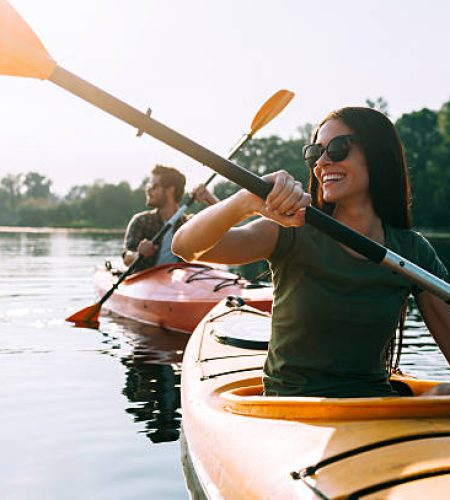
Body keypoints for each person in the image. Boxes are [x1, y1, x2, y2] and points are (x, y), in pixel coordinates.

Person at [172, 107, 450, 398]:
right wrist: (245, 202)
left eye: (337, 148)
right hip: (291, 411)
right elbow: (184, 247)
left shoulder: (411, 251)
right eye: (315, 153)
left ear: (378, 154)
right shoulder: (291, 230)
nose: (322, 162)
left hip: (376, 409)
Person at [123, 164, 218, 272]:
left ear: (170, 190)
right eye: (148, 186)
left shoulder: (189, 224)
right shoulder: (141, 221)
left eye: (154, 186)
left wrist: (209, 198)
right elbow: (127, 257)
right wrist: (138, 255)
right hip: (145, 282)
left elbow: (225, 227)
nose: (148, 191)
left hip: (178, 284)